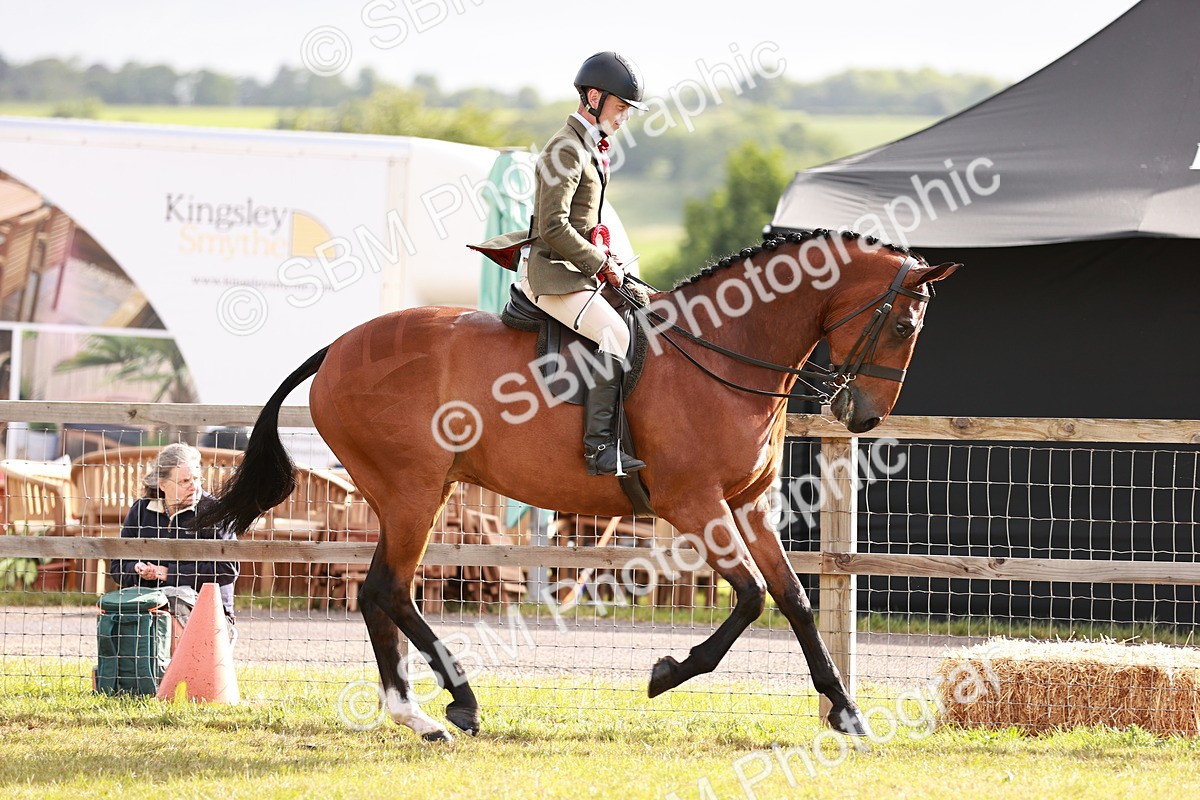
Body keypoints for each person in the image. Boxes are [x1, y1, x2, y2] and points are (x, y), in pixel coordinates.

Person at [477, 51, 649, 476]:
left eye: (628, 109)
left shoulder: (587, 145)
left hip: (577, 269)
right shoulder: (566, 148)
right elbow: (553, 227)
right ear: (594, 97)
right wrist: (600, 264)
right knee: (615, 335)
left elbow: (583, 222)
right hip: (554, 276)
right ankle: (599, 449)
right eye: (621, 106)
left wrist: (610, 261)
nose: (625, 117)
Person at [110, 443, 239, 640]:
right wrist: (139, 570)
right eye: (185, 481)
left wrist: (168, 573)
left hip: (209, 616)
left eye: (196, 479)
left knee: (170, 610)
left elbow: (228, 569)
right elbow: (117, 567)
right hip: (149, 605)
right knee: (116, 612)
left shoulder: (216, 512)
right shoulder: (141, 510)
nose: (194, 486)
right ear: (162, 484)